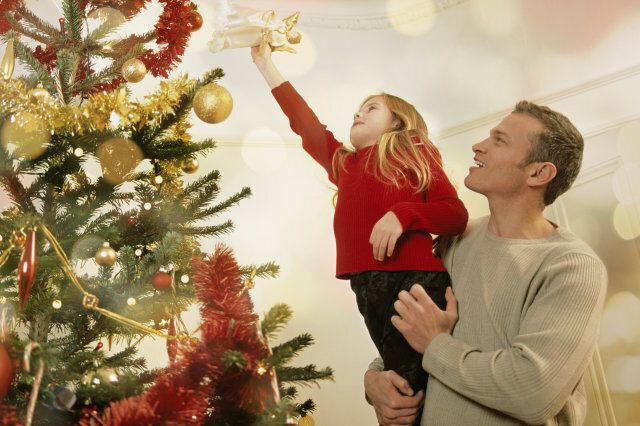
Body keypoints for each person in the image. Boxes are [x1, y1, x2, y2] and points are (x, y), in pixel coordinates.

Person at [364, 101, 608, 425]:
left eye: (499, 140)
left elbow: (532, 391)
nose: (478, 146)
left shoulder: (572, 268)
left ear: (539, 172)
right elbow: (413, 326)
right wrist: (375, 380)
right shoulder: (455, 239)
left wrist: (436, 345)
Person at [251, 44, 468, 407]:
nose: (357, 112)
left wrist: (403, 214)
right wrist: (265, 63)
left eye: (371, 108)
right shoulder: (344, 165)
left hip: (413, 281)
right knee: (401, 389)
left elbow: (455, 215)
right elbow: (304, 124)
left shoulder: (413, 150)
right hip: (366, 288)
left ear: (397, 121)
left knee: (413, 391)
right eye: (358, 108)